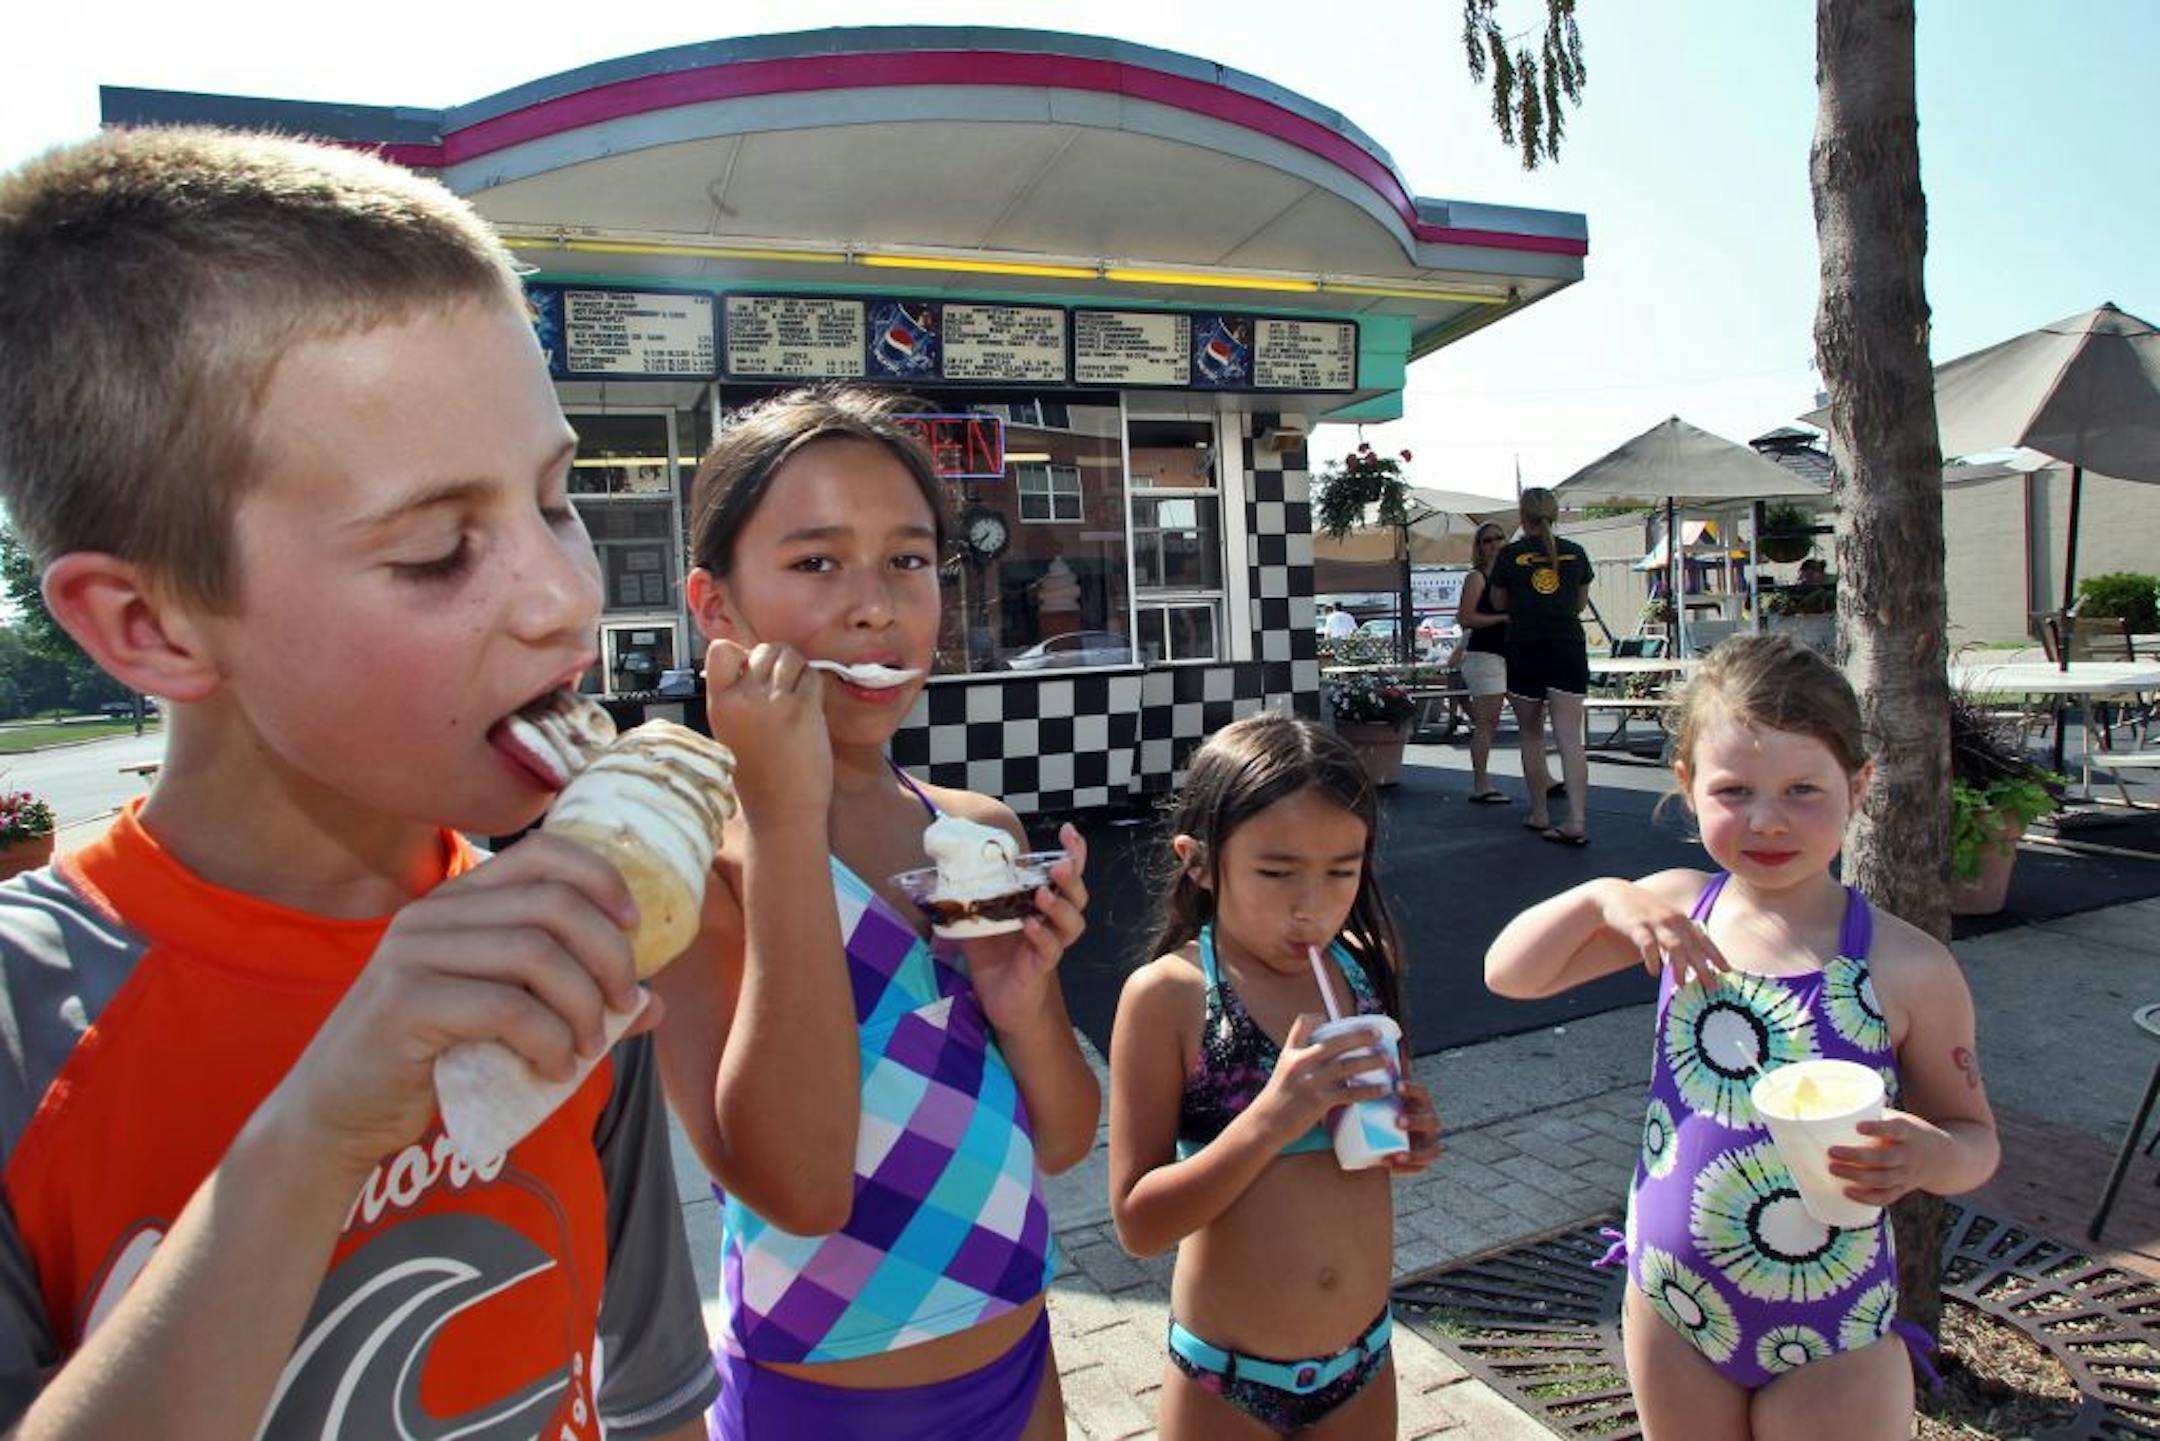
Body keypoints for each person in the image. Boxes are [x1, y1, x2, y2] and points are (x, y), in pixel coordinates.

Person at [0, 129, 731, 1437]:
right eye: (441, 549)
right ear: (154, 624)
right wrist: (314, 1137)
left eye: (557, 498)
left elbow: (656, 1395)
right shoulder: (23, 1029)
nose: (568, 595)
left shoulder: (558, 955)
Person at [655, 386, 1101, 1440]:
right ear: (716, 608)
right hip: (821, 1406)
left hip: (1020, 1361)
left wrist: (1023, 1001)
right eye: (816, 562)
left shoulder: (973, 830)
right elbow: (800, 1191)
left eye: (908, 560)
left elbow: (1069, 1137)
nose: (876, 606)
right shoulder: (694, 867)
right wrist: (780, 816)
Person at [1484, 634, 2000, 1440]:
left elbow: (1976, 1141)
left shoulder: (1906, 966)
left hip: (1836, 1329)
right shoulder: (1673, 912)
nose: (1767, 820)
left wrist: (1929, 1156)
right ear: (1687, 785)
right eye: (1735, 789)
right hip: (1671, 1305)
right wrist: (1600, 899)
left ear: (1858, 786)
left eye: (1803, 789)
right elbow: (1508, 974)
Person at [1107, 713, 1441, 1439]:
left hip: (1363, 1361)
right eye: (1276, 871)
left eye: (1342, 871)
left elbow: (1376, 1143)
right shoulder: (1170, 997)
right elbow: (1137, 1221)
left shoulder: (1360, 963)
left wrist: (1412, 1136)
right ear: (1198, 860)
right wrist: (1271, 1117)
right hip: (1226, 1381)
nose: (1312, 905)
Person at [1489, 487, 1594, 845]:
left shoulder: (1509, 555)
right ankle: (1577, 818)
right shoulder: (1576, 554)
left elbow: (1499, 600)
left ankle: (1539, 812)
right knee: (1569, 736)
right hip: (1567, 645)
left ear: (1523, 516)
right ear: (1556, 514)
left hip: (1525, 646)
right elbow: (1579, 605)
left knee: (1531, 734)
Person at [1452, 523, 1514, 803]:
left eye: (1499, 538)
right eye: (1487, 540)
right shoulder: (1477, 577)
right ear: (1479, 547)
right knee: (1487, 722)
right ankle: (1481, 783)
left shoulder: (1511, 575)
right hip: (1484, 654)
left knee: (1532, 716)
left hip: (1512, 653)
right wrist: (1502, 619)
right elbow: (1465, 618)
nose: (1494, 544)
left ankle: (1545, 778)